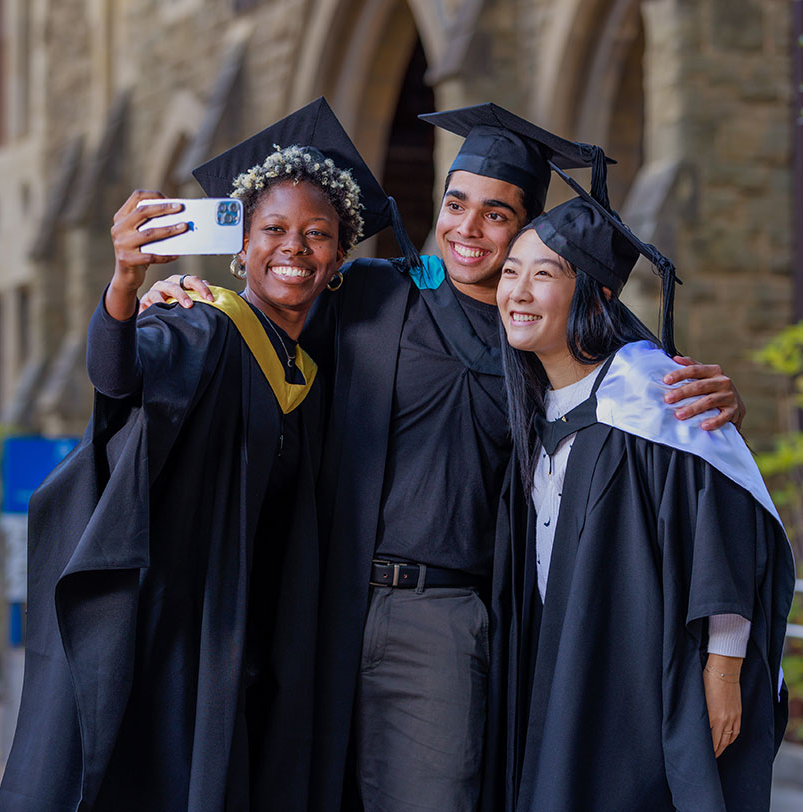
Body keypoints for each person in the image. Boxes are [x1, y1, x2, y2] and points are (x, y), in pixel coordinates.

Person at [142, 103, 745, 812]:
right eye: (458, 203)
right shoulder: (368, 293)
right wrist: (181, 297)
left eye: (497, 214)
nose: (467, 228)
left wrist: (717, 404)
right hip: (314, 603)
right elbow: (266, 319)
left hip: (442, 618)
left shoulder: (551, 337)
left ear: (527, 229)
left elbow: (659, 436)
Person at [0, 98, 416, 812]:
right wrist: (126, 285)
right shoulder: (200, 324)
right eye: (274, 229)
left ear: (339, 257)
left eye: (318, 234)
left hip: (265, 637)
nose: (295, 247)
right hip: (187, 631)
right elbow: (119, 375)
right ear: (241, 245)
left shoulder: (316, 367)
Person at [495, 185, 795, 812]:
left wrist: (724, 670)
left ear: (597, 294)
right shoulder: (540, 404)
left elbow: (725, 528)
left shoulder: (655, 398)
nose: (517, 292)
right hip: (577, 662)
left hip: (649, 673)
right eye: (511, 272)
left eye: (543, 275)